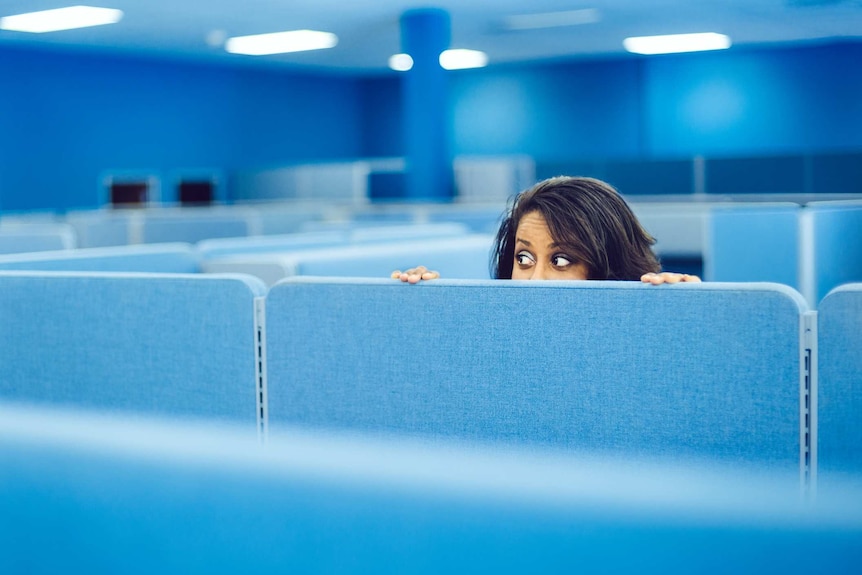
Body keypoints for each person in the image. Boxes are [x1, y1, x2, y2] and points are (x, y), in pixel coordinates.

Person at [392, 175, 701, 285]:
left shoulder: (635, 340)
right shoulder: (497, 336)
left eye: (561, 260)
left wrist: (675, 314)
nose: (534, 279)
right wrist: (424, 307)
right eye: (523, 258)